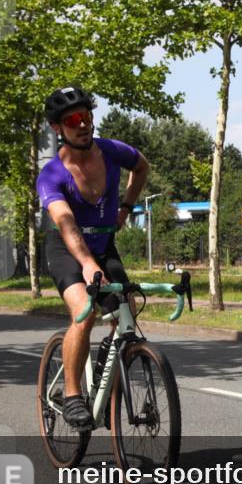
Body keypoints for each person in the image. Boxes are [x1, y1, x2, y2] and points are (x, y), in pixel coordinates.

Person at [36, 87, 149, 431]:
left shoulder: (113, 152)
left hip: (103, 244)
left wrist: (127, 207)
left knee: (126, 309)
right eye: (73, 119)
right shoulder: (52, 174)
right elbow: (67, 224)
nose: (83, 124)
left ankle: (108, 382)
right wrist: (86, 263)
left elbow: (142, 167)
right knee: (84, 314)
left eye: (87, 116)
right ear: (58, 128)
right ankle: (72, 396)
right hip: (66, 249)